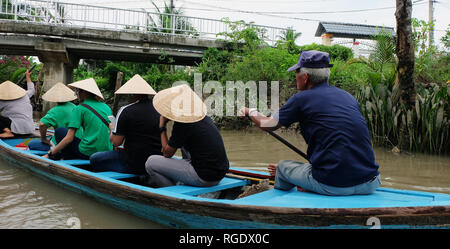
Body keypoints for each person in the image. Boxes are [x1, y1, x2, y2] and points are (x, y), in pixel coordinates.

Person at [240, 50, 380, 196]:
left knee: (282, 167)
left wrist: (250, 111)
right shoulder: (348, 97)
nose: (296, 77)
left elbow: (268, 124)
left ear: (305, 77)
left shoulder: (301, 99)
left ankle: (280, 205)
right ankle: (310, 186)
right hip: (371, 182)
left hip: (332, 184)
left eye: (297, 73)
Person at [145, 84, 229, 188]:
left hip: (204, 177)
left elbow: (167, 153)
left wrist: (162, 126)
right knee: (184, 150)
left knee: (150, 163)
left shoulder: (182, 124)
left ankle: (171, 192)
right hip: (219, 175)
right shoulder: (203, 117)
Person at [90, 74, 162, 174]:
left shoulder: (126, 110)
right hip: (155, 161)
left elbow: (116, 142)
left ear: (132, 94)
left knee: (94, 158)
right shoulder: (159, 110)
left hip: (133, 161)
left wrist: (112, 129)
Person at [44, 78, 113, 160]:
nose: (76, 94)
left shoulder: (80, 108)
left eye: (78, 91)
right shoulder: (106, 107)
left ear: (84, 92)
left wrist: (50, 153)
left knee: (60, 131)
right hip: (106, 151)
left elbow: (69, 138)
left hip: (87, 153)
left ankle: (67, 158)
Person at [28, 82, 83, 152]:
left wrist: (44, 139)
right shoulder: (75, 107)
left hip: (63, 144)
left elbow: (42, 124)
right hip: (78, 142)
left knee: (31, 144)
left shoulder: (55, 110)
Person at [0, 70, 35, 138]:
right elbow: (31, 90)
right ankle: (7, 130)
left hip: (16, 128)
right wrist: (28, 77)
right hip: (29, 128)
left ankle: (7, 131)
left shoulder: (3, 100)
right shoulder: (25, 95)